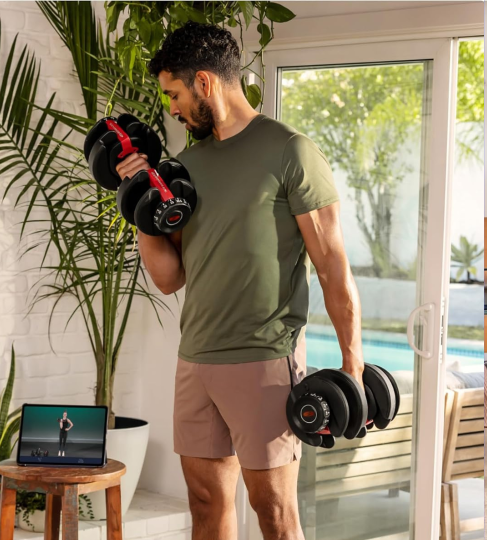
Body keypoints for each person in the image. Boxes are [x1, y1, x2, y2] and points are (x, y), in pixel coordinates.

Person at [114, 23, 364, 540]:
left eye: (175, 94)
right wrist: (138, 199)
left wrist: (352, 364)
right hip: (197, 359)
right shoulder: (184, 169)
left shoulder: (290, 152)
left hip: (264, 360)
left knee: (273, 512)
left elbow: (332, 267)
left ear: (205, 83)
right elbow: (168, 278)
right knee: (205, 504)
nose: (174, 109)